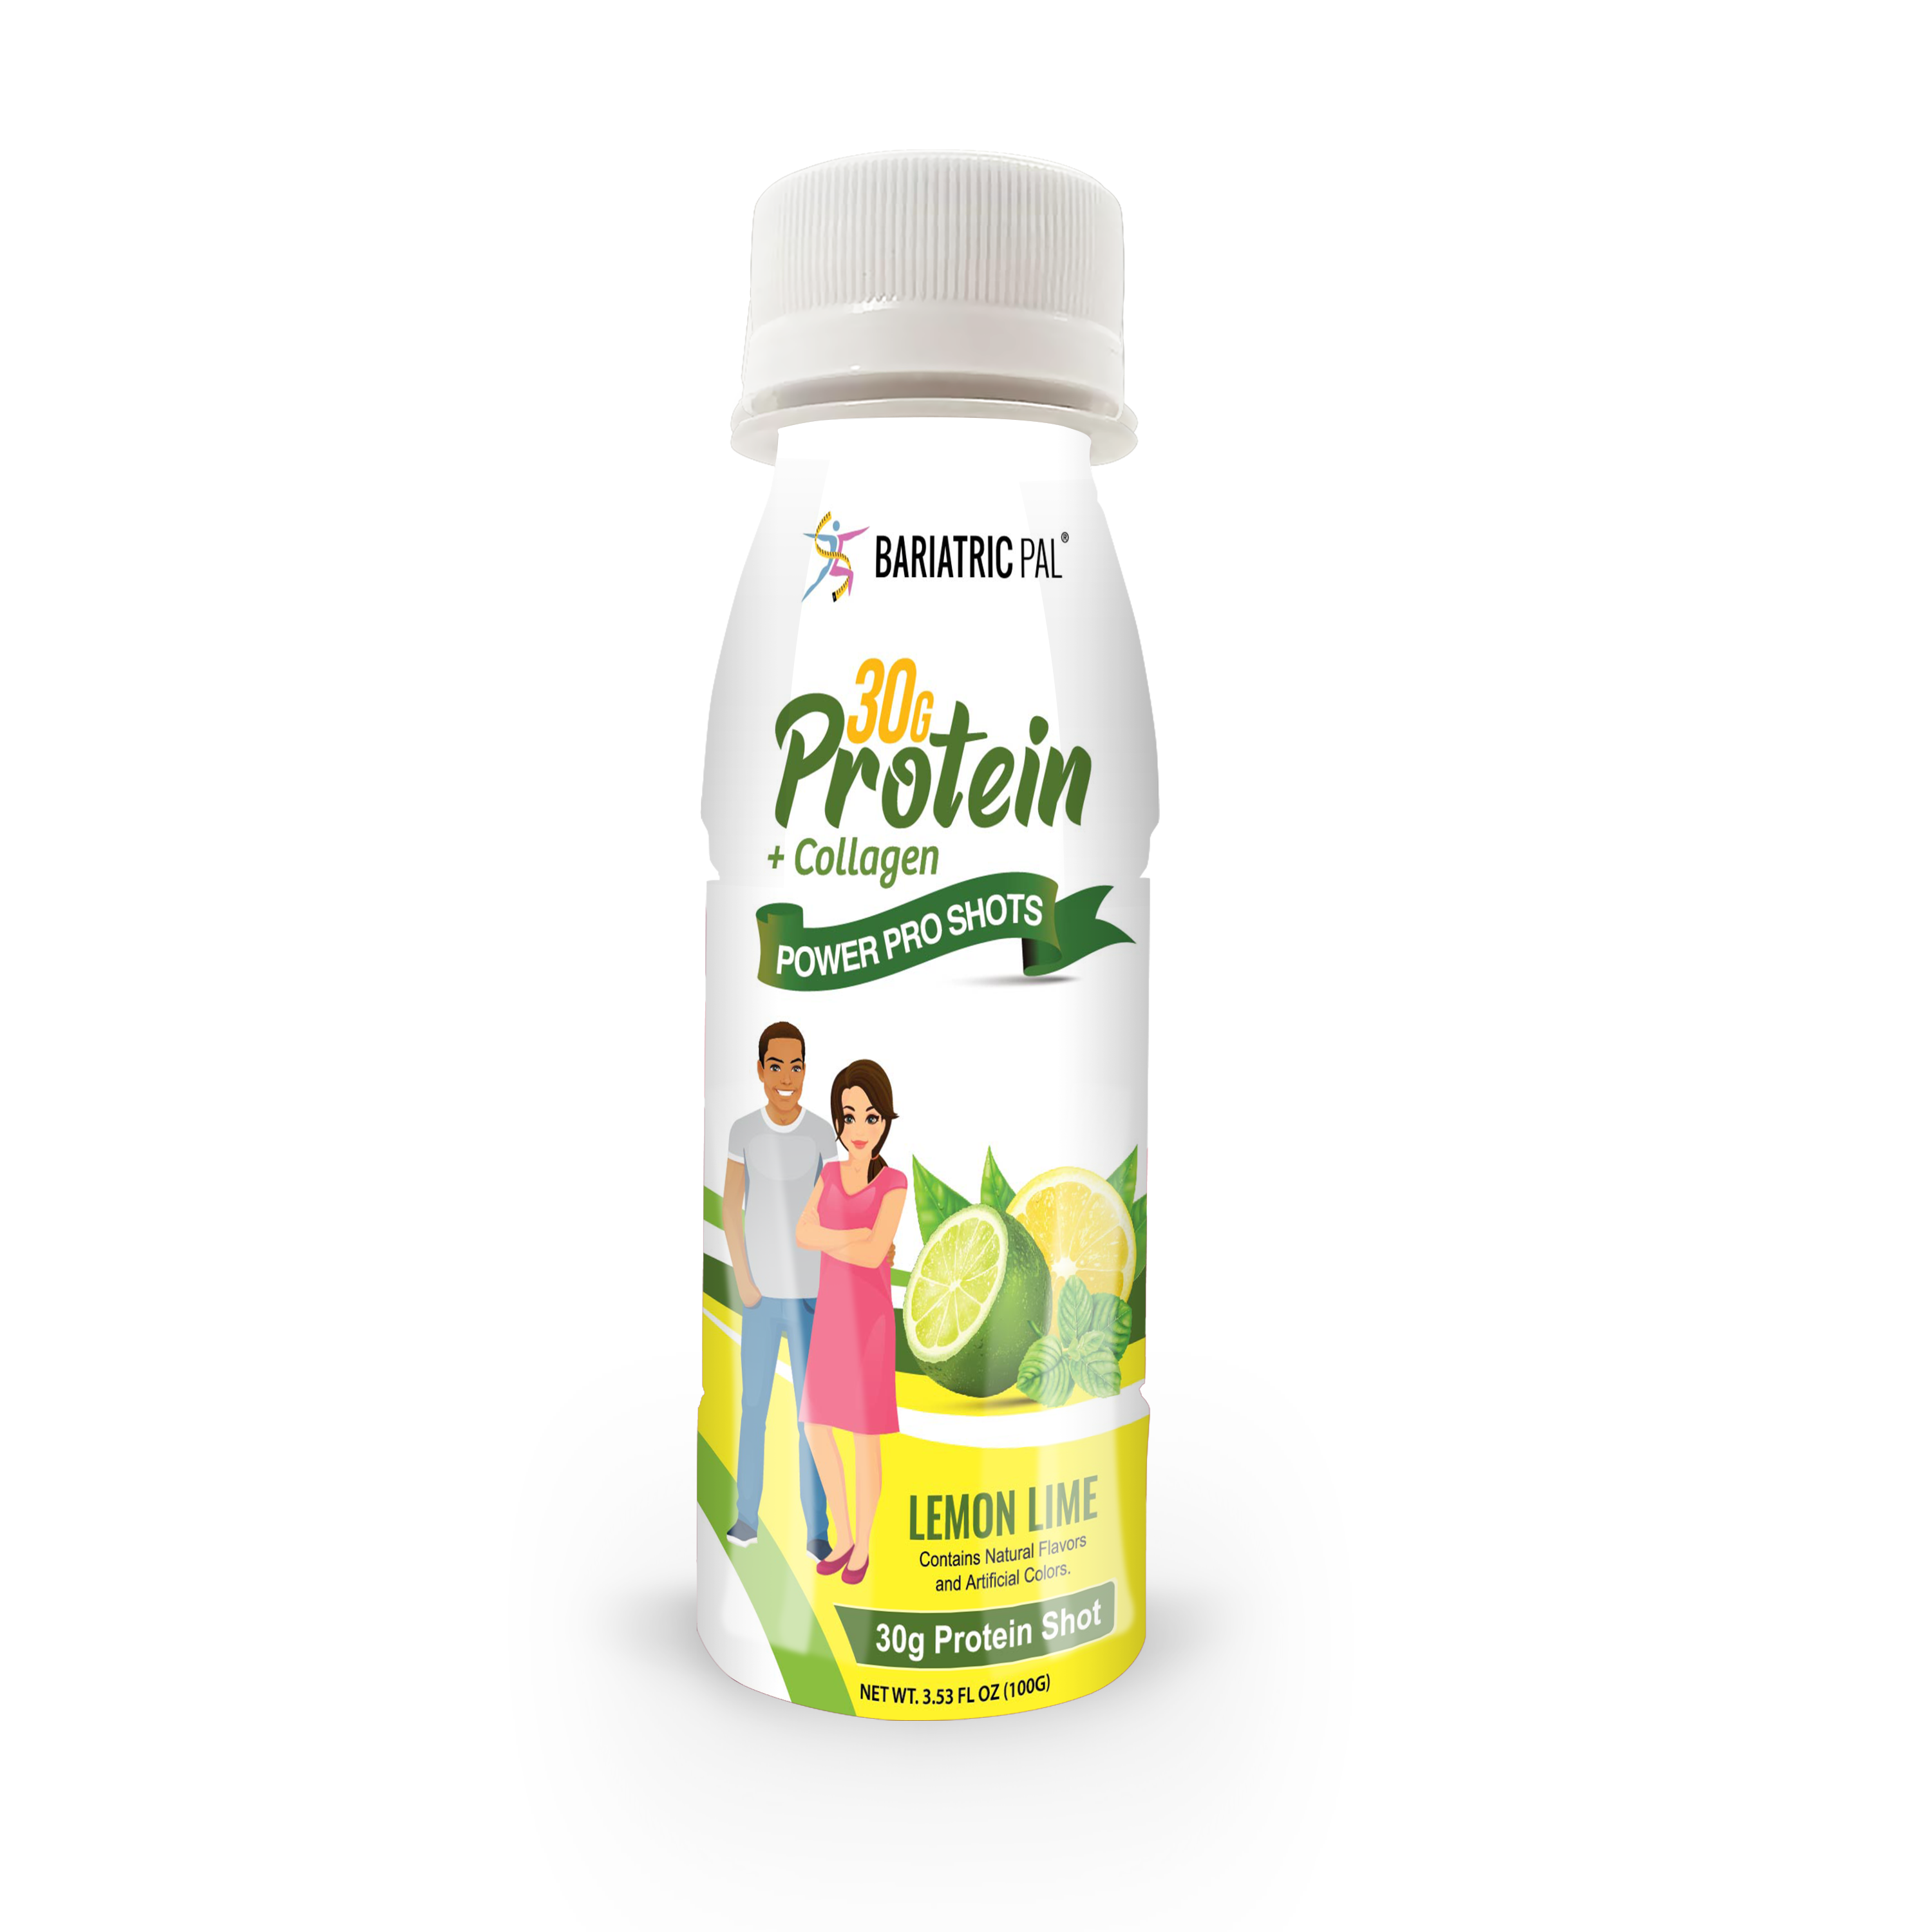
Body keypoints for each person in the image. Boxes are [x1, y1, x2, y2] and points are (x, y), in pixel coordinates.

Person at [720, 1021, 842, 1559]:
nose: (786, 1078)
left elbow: (835, 1209)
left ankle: (817, 1531)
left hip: (813, 1296)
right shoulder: (744, 1131)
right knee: (754, 1409)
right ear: (760, 1069)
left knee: (811, 1418)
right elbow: (731, 1207)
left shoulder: (820, 1135)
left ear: (806, 1071)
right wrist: (744, 1280)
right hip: (761, 1298)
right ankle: (747, 1518)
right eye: (776, 1066)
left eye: (796, 1066)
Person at [795, 1059, 907, 1586]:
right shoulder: (828, 1175)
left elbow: (873, 1253)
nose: (859, 1129)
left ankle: (863, 1547)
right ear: (837, 1121)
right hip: (832, 1319)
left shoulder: (894, 1183)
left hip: (869, 1324)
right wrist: (855, 1239)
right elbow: (803, 1233)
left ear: (885, 1120)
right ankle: (842, 1536)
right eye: (848, 1116)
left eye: (871, 1117)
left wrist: (843, 1241)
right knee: (816, 1426)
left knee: (865, 1437)